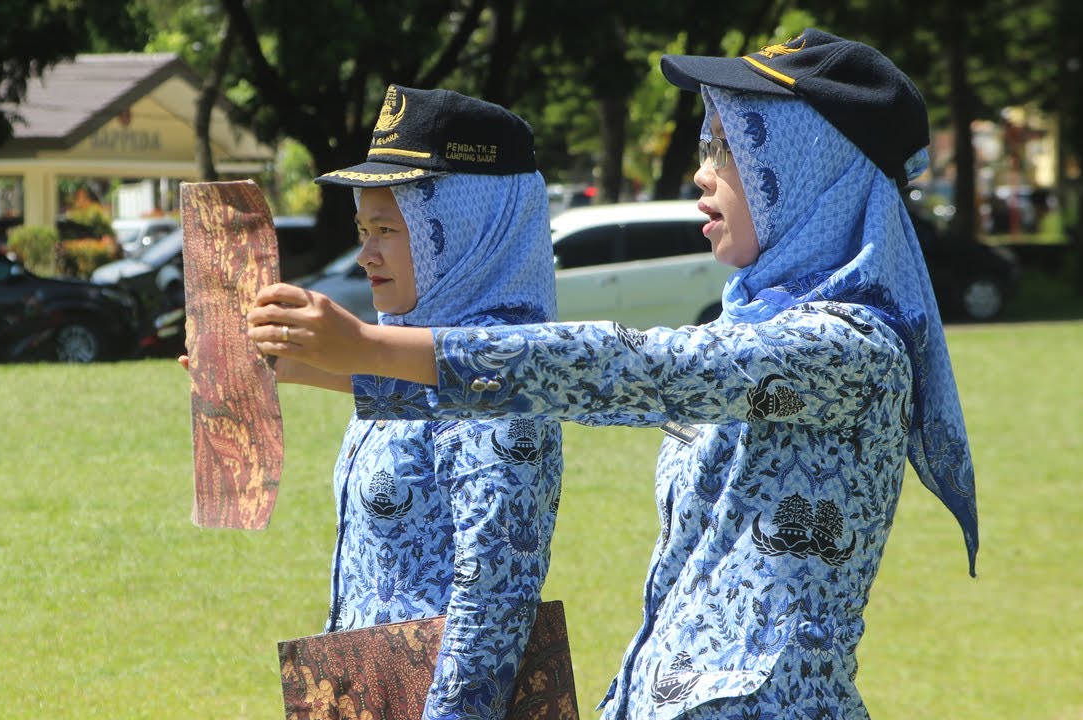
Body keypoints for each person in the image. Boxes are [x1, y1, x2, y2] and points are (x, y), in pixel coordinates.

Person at [244, 30, 979, 719]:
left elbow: (626, 367)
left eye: (727, 148)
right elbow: (567, 389)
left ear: (808, 169)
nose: (701, 173)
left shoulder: (849, 348)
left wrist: (371, 348)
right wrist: (314, 367)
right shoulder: (760, 333)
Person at [186, 85, 564, 719]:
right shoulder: (421, 353)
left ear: (464, 230)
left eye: (388, 228)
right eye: (363, 228)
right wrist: (270, 363)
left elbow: (491, 609)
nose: (365, 254)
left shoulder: (503, 375)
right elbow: (394, 386)